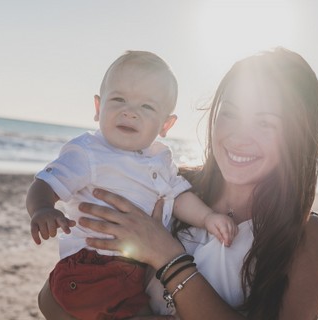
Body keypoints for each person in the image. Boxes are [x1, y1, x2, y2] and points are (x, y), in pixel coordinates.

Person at [38, 47, 318, 319]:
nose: (238, 136)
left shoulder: (307, 236)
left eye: (264, 122)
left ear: (298, 136)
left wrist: (167, 256)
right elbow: (51, 300)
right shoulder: (169, 185)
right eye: (229, 114)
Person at [27, 51, 237, 320]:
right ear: (98, 107)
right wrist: (42, 209)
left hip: (132, 275)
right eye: (118, 99)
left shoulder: (161, 159)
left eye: (147, 107)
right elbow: (45, 181)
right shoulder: (89, 151)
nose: (130, 112)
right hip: (90, 267)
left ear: (166, 124)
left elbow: (179, 195)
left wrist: (208, 217)